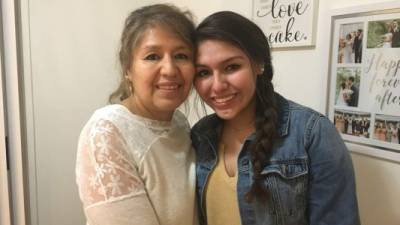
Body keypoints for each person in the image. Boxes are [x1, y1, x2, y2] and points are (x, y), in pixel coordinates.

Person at [191, 11, 360, 225]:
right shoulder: (200, 135)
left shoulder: (312, 133)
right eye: (204, 72)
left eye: (232, 67)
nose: (217, 85)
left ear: (259, 64)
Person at [75, 4, 198, 225]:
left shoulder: (179, 123)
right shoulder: (107, 131)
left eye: (181, 55)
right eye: (152, 56)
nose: (169, 69)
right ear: (128, 69)